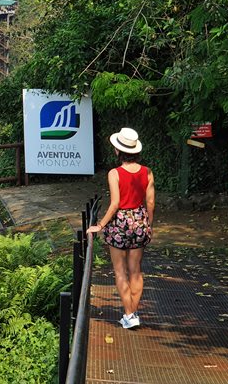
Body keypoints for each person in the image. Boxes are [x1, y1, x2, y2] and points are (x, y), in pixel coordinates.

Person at [86, 127, 155, 329]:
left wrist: (100, 225)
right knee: (136, 270)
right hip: (140, 220)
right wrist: (148, 224)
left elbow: (115, 203)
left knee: (120, 270)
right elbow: (150, 202)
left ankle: (129, 314)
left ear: (118, 150)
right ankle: (133, 313)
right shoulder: (147, 172)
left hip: (120, 223)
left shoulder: (114, 173)